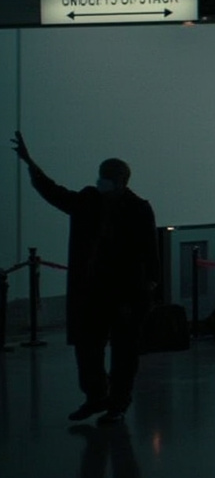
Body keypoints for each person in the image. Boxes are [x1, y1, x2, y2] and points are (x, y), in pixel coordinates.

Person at [11, 130, 159, 425]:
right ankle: (98, 397)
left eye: (106, 176)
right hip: (93, 292)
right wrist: (31, 164)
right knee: (88, 348)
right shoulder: (90, 201)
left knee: (123, 352)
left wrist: (143, 295)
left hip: (124, 294)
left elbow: (149, 256)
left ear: (120, 182)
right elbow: (54, 192)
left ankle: (115, 402)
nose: (100, 180)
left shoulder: (137, 209)